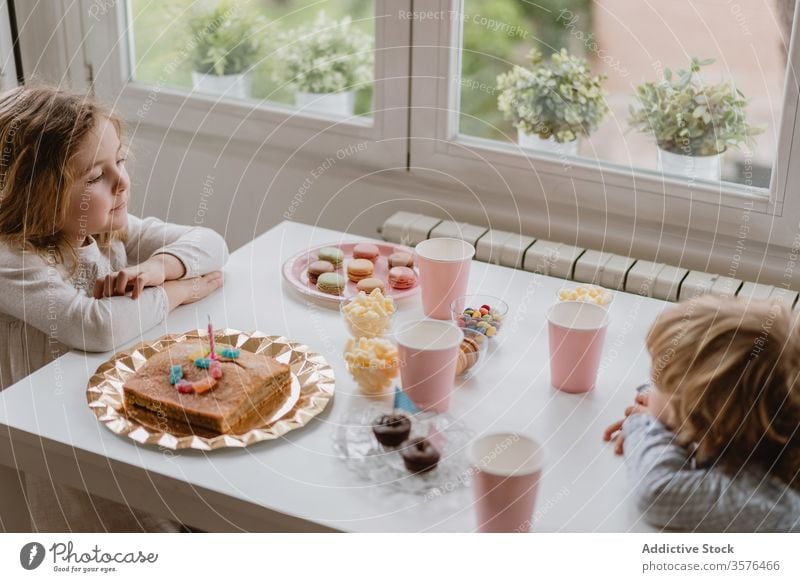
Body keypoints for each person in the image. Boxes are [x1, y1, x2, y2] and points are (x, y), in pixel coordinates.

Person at [0, 85, 228, 531]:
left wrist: (160, 268)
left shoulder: (107, 230)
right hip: (55, 431)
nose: (121, 182)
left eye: (119, 161)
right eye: (94, 177)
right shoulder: (12, 258)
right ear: (36, 195)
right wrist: (180, 292)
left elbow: (211, 241)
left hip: (110, 401)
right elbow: (94, 326)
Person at [604, 294, 800, 532]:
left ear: (699, 417)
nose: (647, 386)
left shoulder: (766, 500)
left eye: (655, 381)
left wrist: (646, 425)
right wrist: (672, 413)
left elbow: (658, 491)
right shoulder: (764, 422)